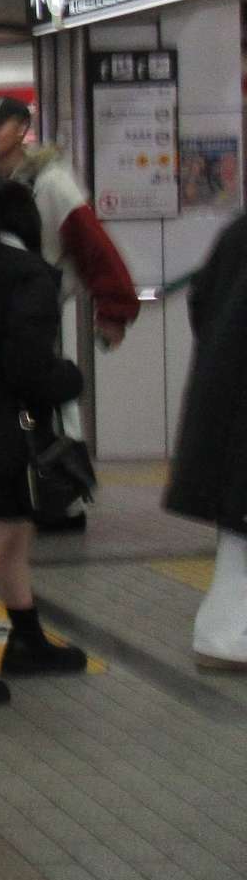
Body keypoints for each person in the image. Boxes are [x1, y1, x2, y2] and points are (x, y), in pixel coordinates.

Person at [0, 95, 137, 535]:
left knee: (49, 402)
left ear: (21, 128)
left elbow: (94, 249)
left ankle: (58, 494)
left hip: (36, 311)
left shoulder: (53, 184)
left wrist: (114, 309)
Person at [0, 178, 89, 705]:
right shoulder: (28, 274)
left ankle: (26, 638)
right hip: (1, 434)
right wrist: (69, 379)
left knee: (12, 533)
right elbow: (27, 365)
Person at [162, 212, 247, 672]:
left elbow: (200, 301)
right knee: (239, 543)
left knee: (237, 538)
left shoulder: (236, 232)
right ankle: (224, 638)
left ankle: (224, 635)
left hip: (226, 404)